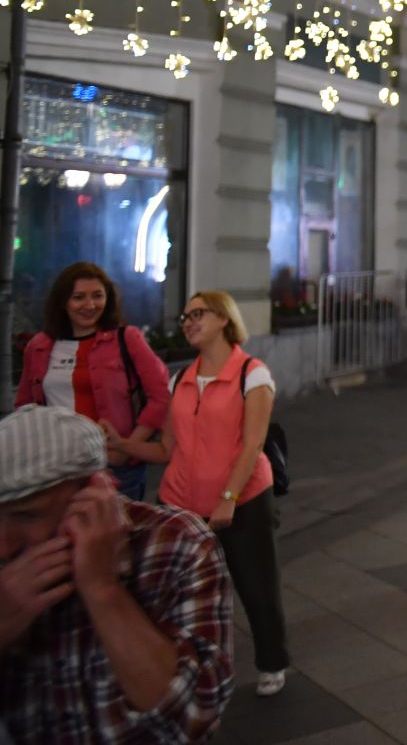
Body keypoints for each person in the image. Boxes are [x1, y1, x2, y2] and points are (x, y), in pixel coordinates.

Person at [0, 406, 233, 742]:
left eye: (27, 515)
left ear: (95, 492)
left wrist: (103, 589)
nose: (4, 547)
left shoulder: (176, 544)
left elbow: (192, 722)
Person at [110, 291, 291, 697]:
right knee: (179, 592)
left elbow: (252, 444)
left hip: (244, 501)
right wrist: (122, 445)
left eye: (198, 314)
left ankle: (272, 661)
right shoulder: (181, 380)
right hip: (181, 504)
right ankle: (185, 665)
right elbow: (166, 450)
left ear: (224, 319)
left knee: (257, 587)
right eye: (185, 316)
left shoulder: (252, 373)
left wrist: (228, 497)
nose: (188, 322)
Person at [13, 262, 171, 501]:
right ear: (63, 302)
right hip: (58, 469)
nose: (90, 305)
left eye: (98, 296)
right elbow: (26, 408)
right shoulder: (39, 346)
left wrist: (127, 447)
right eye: (79, 297)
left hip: (116, 469)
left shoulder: (127, 339)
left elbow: (161, 396)